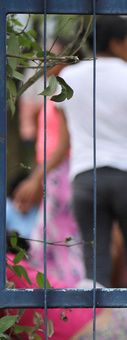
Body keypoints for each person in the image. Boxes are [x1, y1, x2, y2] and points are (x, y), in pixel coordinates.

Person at [23, 16, 127, 340]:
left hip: (86, 181)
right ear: (115, 43)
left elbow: (63, 144)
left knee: (95, 265)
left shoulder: (69, 78)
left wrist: (37, 175)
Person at [14, 47, 85, 289]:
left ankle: (66, 293)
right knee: (51, 237)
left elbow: (64, 144)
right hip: (52, 173)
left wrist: (36, 178)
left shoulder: (67, 94)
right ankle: (57, 292)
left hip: (61, 172)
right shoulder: (55, 92)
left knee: (56, 239)